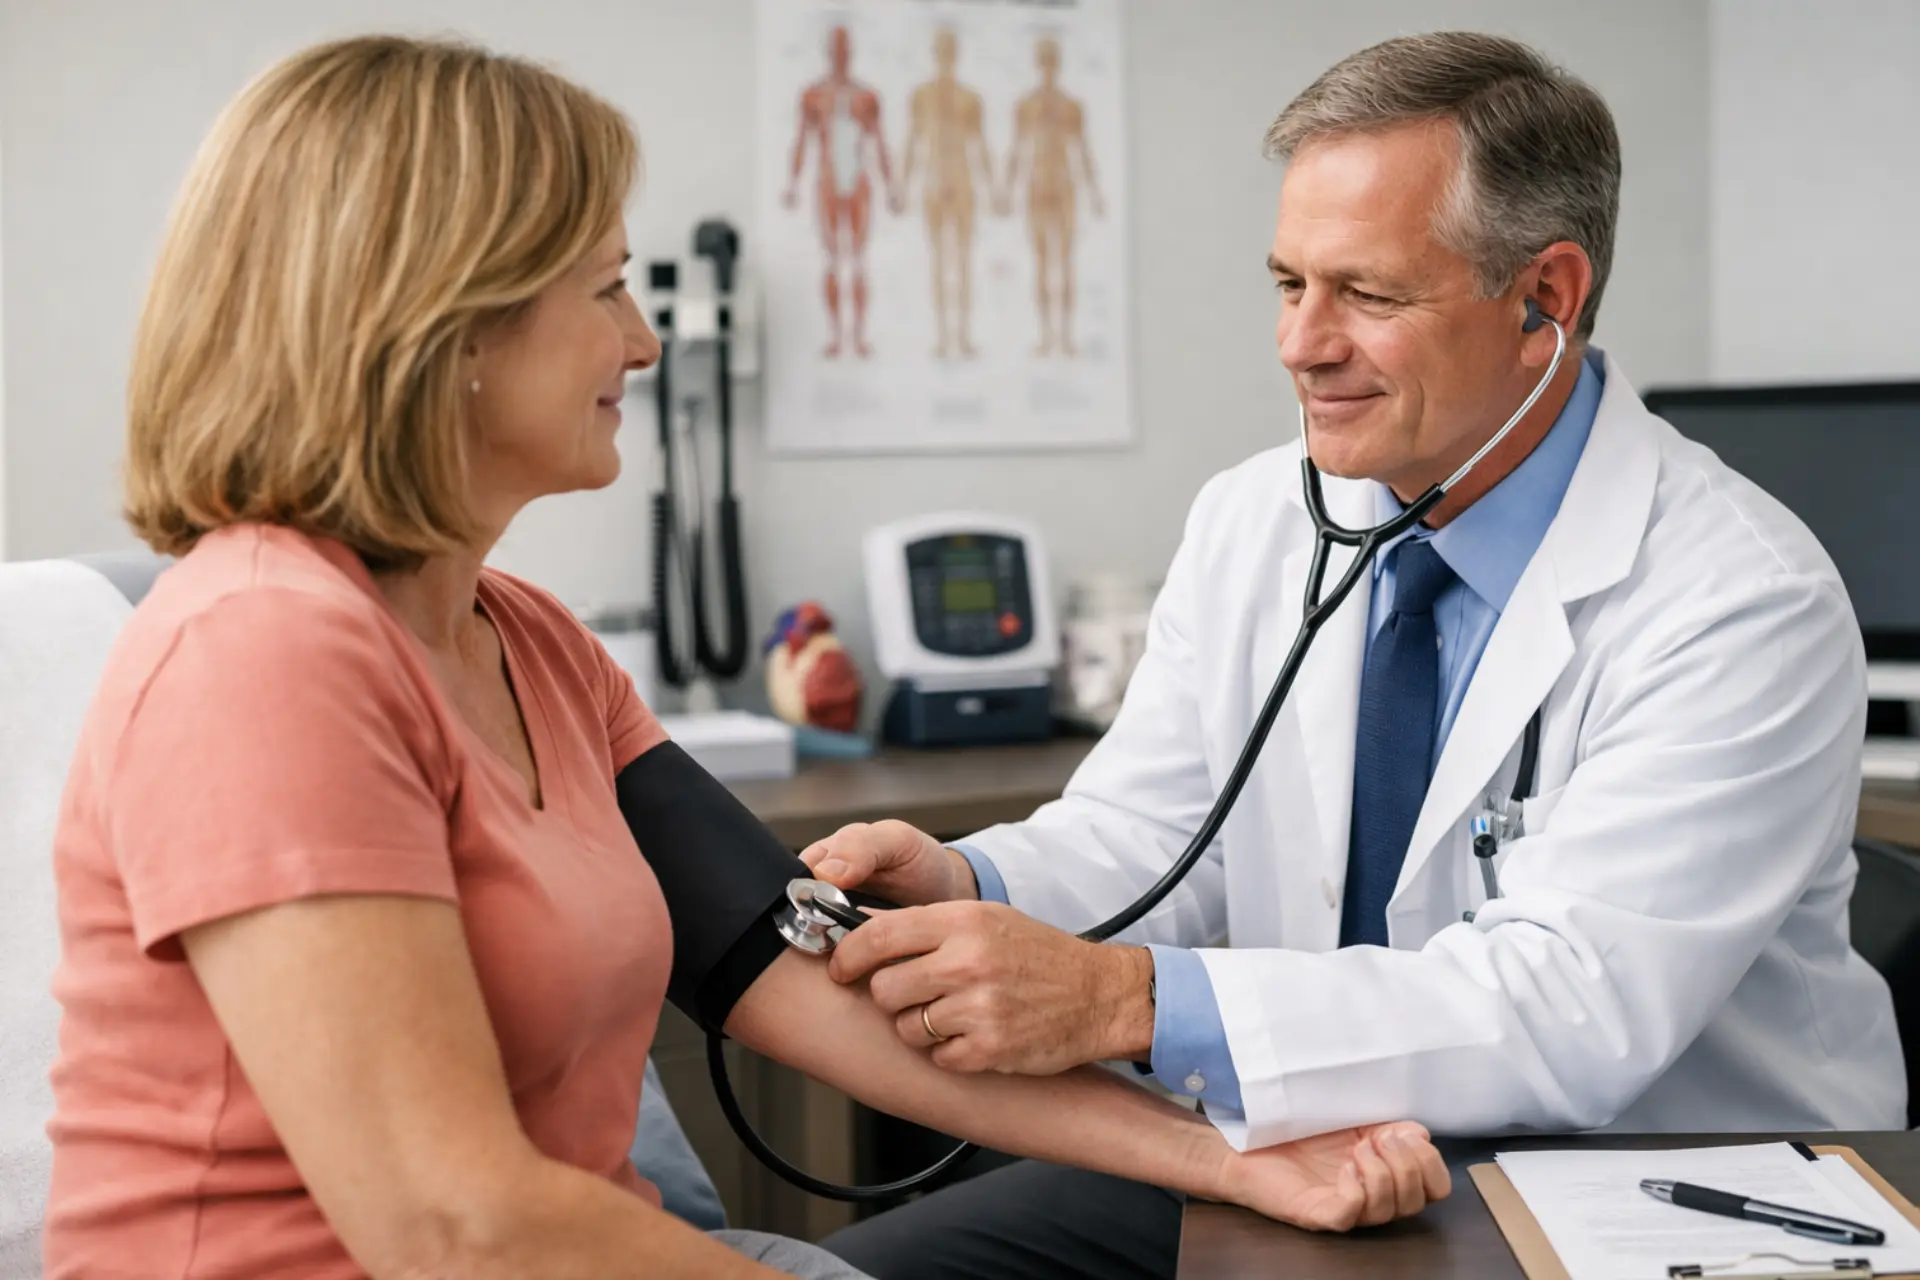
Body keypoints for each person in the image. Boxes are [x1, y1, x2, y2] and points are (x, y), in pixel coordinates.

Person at [39, 34, 1450, 1280]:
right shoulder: (264, 656)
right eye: (604, 291)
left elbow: (810, 971)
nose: (646, 344)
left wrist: (1231, 1161)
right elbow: (453, 1227)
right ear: (445, 327)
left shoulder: (529, 644)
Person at [810, 31, 1907, 1280]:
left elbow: (1568, 1009)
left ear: (1544, 297)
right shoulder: (1254, 516)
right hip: (1310, 1158)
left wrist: (1123, 1000)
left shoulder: (1737, 598)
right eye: (1289, 284)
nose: (1301, 344)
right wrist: (966, 883)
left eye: (1367, 295)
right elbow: (1153, 834)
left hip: (1661, 1196)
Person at [782, 25, 897, 359]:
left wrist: (891, 186)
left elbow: (880, 142)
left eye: (846, 47)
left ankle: (859, 337)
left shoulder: (867, 96)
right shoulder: (813, 95)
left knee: (858, 260)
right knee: (833, 259)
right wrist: (792, 184)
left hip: (858, 180)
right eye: (837, 47)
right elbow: (801, 140)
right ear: (829, 51)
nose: (842, 53)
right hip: (829, 180)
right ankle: (835, 336)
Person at [999, 36, 1103, 358]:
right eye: (1043, 58)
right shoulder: (1026, 106)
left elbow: (1081, 151)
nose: (1047, 65)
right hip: (1037, 185)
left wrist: (1094, 193)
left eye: (1051, 58)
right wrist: (1006, 189)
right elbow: (1017, 149)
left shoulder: (1071, 107)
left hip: (1064, 185)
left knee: (1066, 263)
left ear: (1056, 63)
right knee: (1043, 263)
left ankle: (1066, 335)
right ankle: (1046, 335)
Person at [901, 28, 992, 360]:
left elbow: (980, 145)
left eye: (950, 49)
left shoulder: (970, 99)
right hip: (934, 182)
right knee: (939, 262)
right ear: (935, 54)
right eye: (942, 49)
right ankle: (942, 337)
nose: (946, 55)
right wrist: (902, 184)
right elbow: (913, 141)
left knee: (964, 261)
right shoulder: (921, 96)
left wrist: (993, 187)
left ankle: (964, 336)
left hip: (963, 179)